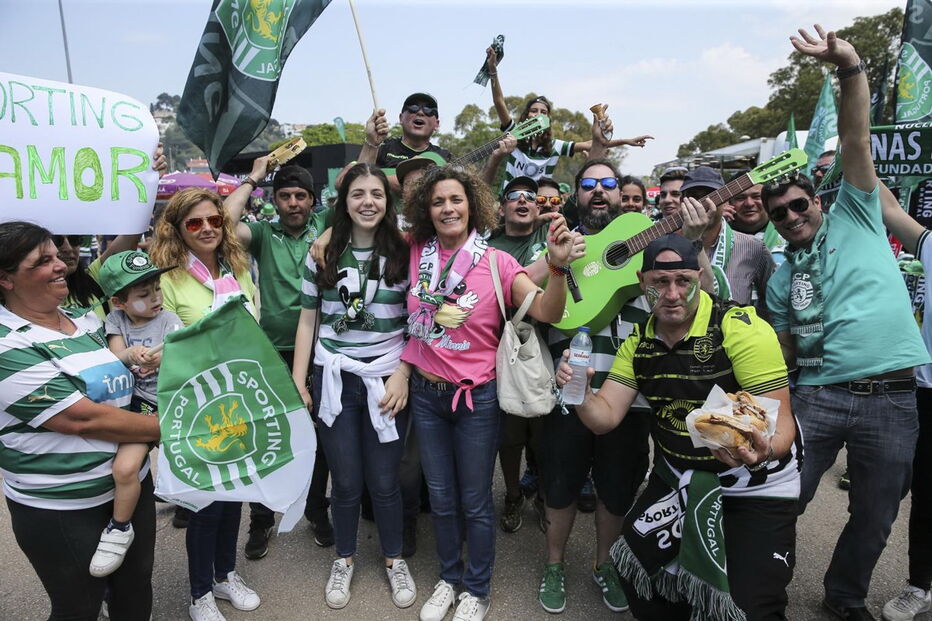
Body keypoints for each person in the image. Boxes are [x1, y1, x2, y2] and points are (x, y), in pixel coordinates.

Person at [764, 26, 930, 621]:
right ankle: (763, 594)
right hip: (817, 397)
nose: (790, 216)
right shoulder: (782, 277)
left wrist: (850, 65)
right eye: (778, 213)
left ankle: (844, 595)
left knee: (877, 512)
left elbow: (857, 138)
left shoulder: (857, 211)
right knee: (782, 498)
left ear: (818, 200)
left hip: (893, 397)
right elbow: (780, 348)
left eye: (798, 204)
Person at [559, 232, 801, 621]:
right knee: (636, 571)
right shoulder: (638, 341)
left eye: (683, 281)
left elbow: (783, 427)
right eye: (659, 282)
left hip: (754, 479)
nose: (671, 294)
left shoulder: (739, 326)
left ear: (699, 277)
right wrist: (582, 393)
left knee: (751, 604)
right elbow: (605, 418)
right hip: (680, 474)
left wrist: (761, 451)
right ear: (642, 282)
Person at [538, 160, 713, 616]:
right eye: (589, 184)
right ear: (575, 193)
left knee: (617, 489)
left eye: (609, 184)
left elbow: (700, 297)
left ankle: (604, 564)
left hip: (631, 395)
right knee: (559, 485)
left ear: (623, 194)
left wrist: (695, 243)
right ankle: (554, 563)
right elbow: (524, 293)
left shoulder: (651, 246)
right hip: (565, 388)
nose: (599, 191)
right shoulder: (556, 242)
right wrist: (555, 265)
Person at [402, 166, 573, 621]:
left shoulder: (496, 262)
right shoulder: (416, 250)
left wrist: (556, 267)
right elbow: (361, 228)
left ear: (472, 205)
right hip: (426, 394)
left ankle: (476, 589)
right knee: (440, 496)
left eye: (455, 199)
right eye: (437, 201)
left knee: (475, 499)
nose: (447, 208)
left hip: (476, 399)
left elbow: (547, 310)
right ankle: (448, 578)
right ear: (427, 210)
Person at [0, 221, 161, 620]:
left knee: (135, 587)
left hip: (131, 485)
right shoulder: (7, 342)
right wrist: (177, 425)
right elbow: (81, 419)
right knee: (79, 606)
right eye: (44, 260)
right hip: (61, 507)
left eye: (59, 255)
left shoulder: (84, 319)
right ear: (5, 278)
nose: (62, 264)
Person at [291, 163, 417, 610]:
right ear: (343, 203)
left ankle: (393, 558)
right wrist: (298, 381)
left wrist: (402, 372)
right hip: (335, 377)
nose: (368, 201)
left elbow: (416, 322)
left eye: (377, 194)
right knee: (345, 482)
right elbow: (308, 319)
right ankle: (344, 559)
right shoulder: (322, 252)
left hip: (387, 378)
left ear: (389, 201)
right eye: (358, 193)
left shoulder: (407, 252)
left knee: (385, 482)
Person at [149, 187, 262, 621]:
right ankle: (199, 594)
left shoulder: (238, 266)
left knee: (235, 497)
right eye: (195, 223)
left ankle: (224, 574)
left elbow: (252, 323)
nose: (208, 228)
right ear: (177, 230)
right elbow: (174, 344)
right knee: (205, 505)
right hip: (196, 407)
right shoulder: (167, 278)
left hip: (239, 398)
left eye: (215, 220)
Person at [224, 158, 335, 559]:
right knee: (267, 439)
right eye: (284, 196)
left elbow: (361, 194)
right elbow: (223, 222)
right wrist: (253, 178)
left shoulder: (325, 224)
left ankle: (316, 510)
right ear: (273, 200)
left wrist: (372, 146)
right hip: (271, 352)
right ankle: (262, 518)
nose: (292, 203)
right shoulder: (263, 233)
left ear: (312, 200)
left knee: (319, 438)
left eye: (300, 196)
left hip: (321, 350)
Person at [488, 175, 586, 536]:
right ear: (502, 207)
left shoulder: (552, 237)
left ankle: (544, 493)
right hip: (503, 348)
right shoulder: (487, 245)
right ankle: (513, 494)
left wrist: (560, 239)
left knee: (543, 432)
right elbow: (500, 288)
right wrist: (549, 262)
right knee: (510, 432)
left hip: (549, 344)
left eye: (531, 197)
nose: (524, 201)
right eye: (514, 196)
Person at [87, 251, 182, 579]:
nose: (155, 297)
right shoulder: (115, 321)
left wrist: (163, 358)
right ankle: (119, 527)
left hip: (173, 401)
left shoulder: (169, 320)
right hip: (140, 404)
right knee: (125, 468)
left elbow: (181, 352)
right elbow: (117, 355)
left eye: (156, 288)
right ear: (119, 302)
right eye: (143, 294)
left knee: (194, 468)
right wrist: (131, 354)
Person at [877, 184, 932, 621]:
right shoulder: (930, 245)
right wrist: (858, 140)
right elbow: (890, 206)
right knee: (927, 498)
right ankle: (919, 586)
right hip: (927, 394)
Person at [484, 47, 651, 186]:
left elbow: (590, 144)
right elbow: (499, 101)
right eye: (534, 110)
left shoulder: (554, 146)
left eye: (544, 112)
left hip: (539, 205)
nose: (538, 115)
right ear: (526, 115)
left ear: (548, 120)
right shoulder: (513, 135)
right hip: (510, 202)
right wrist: (493, 70)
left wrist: (626, 141)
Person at [681, 166, 775, 312]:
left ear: (725, 201)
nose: (703, 203)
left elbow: (773, 304)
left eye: (711, 195)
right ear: (682, 202)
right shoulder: (668, 247)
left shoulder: (753, 247)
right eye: (694, 196)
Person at [352, 93, 453, 194]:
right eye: (413, 107)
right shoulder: (381, 148)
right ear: (401, 118)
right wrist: (371, 141)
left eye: (429, 110)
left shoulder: (445, 157)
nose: (420, 112)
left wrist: (375, 178)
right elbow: (349, 181)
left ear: (437, 124)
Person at [726, 171, 787, 267]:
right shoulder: (720, 236)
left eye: (756, 196)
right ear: (729, 203)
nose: (749, 204)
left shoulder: (788, 230)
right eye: (740, 198)